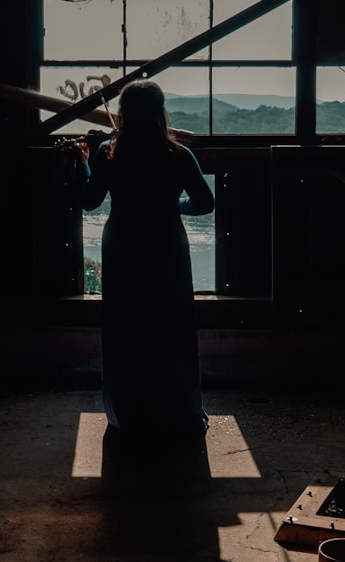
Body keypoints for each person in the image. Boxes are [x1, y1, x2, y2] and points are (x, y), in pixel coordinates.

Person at [75, 78, 214, 440]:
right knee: (169, 324)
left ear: (123, 114)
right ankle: (176, 410)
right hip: (166, 242)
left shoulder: (109, 152)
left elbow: (89, 201)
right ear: (160, 112)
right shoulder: (178, 155)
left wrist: (82, 162)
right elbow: (205, 203)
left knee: (126, 325)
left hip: (123, 242)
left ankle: (128, 413)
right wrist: (175, 205)